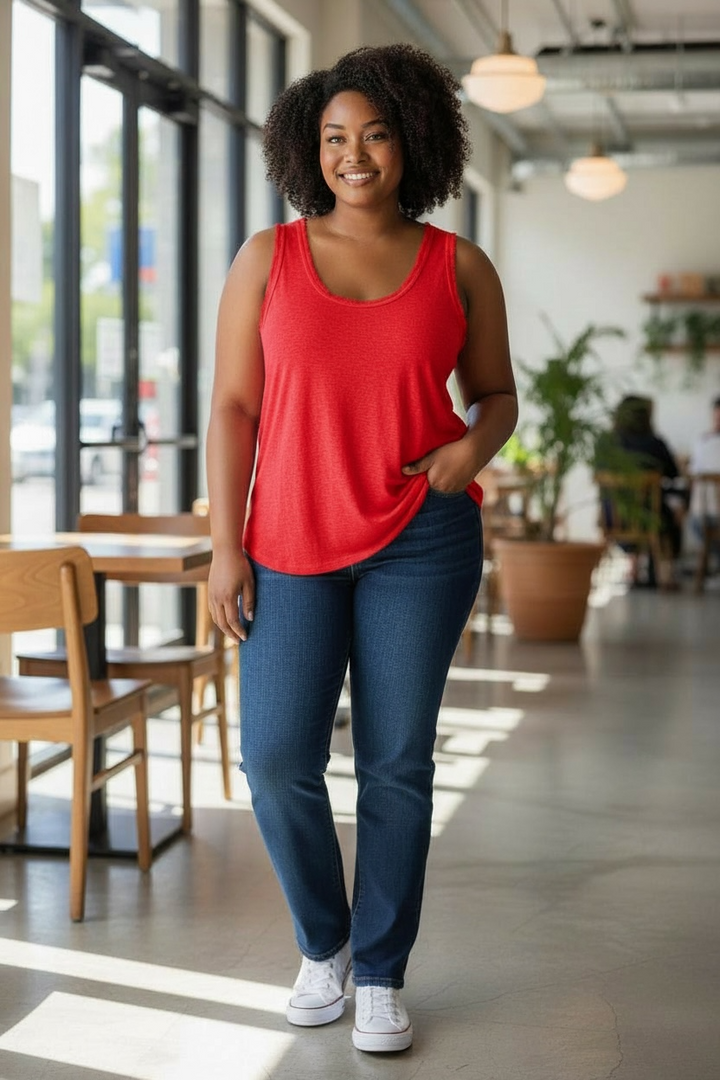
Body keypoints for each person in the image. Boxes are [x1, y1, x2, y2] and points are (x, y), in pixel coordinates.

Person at [206, 43, 517, 1054]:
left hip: (419, 542)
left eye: (374, 134)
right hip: (288, 542)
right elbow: (234, 408)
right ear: (308, 148)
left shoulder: (458, 265)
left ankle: (380, 973)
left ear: (411, 140)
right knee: (277, 756)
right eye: (334, 137)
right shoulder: (268, 258)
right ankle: (323, 945)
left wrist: (468, 453)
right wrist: (224, 548)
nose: (354, 155)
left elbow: (496, 396)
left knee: (395, 763)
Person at [600, 395, 684, 586]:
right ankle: (661, 569)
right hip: (649, 519)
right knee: (666, 512)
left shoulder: (606, 443)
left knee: (641, 508)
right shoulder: (655, 444)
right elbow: (674, 474)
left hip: (613, 518)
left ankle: (634, 566)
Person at [689, 396, 720, 567]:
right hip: (707, 512)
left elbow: (694, 472)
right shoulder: (702, 441)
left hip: (704, 514)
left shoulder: (703, 442)